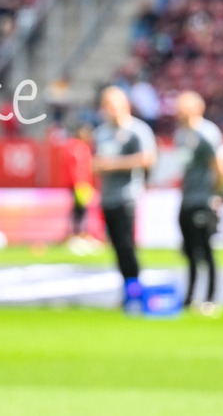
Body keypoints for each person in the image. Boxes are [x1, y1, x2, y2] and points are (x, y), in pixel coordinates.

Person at [92, 86, 157, 310]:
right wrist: (100, 167)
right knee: (118, 247)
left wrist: (115, 164)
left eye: (115, 105)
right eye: (108, 106)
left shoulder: (137, 130)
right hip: (107, 197)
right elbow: (97, 163)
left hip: (127, 195)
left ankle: (135, 292)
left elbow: (148, 158)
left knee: (127, 246)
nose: (112, 111)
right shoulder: (101, 132)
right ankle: (127, 291)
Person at [173, 91, 223, 316]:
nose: (178, 111)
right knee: (189, 251)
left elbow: (221, 169)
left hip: (202, 200)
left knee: (206, 250)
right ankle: (190, 297)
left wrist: (215, 195)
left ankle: (210, 298)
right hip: (186, 199)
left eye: (182, 107)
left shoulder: (207, 133)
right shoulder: (181, 135)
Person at [61, 120, 96, 253]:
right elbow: (74, 168)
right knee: (79, 210)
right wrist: (77, 183)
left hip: (83, 183)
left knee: (81, 210)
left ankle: (80, 234)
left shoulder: (83, 147)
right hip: (79, 184)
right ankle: (76, 235)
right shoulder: (75, 147)